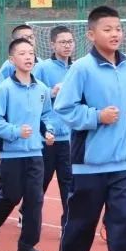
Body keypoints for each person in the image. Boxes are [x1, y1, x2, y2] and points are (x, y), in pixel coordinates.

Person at [54, 5, 126, 251]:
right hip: (88, 164)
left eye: (118, 28)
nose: (115, 33)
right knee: (80, 226)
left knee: (123, 227)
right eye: (108, 29)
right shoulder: (81, 68)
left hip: (124, 161)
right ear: (91, 34)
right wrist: (96, 116)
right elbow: (64, 109)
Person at [0, 38, 55, 251]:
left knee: (35, 199)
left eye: (31, 53)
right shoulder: (5, 88)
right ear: (12, 60)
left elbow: (46, 115)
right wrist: (15, 131)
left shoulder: (41, 88)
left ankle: (27, 245)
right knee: (10, 195)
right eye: (22, 54)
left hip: (35, 153)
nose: (28, 57)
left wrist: (48, 131)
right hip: (12, 153)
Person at [32, 25, 76, 204]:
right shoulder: (42, 68)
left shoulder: (77, 68)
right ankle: (26, 211)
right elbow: (32, 95)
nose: (67, 45)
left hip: (70, 138)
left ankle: (67, 228)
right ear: (52, 45)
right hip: (47, 138)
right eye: (62, 42)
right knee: (41, 181)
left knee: (69, 184)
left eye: (70, 42)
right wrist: (51, 92)